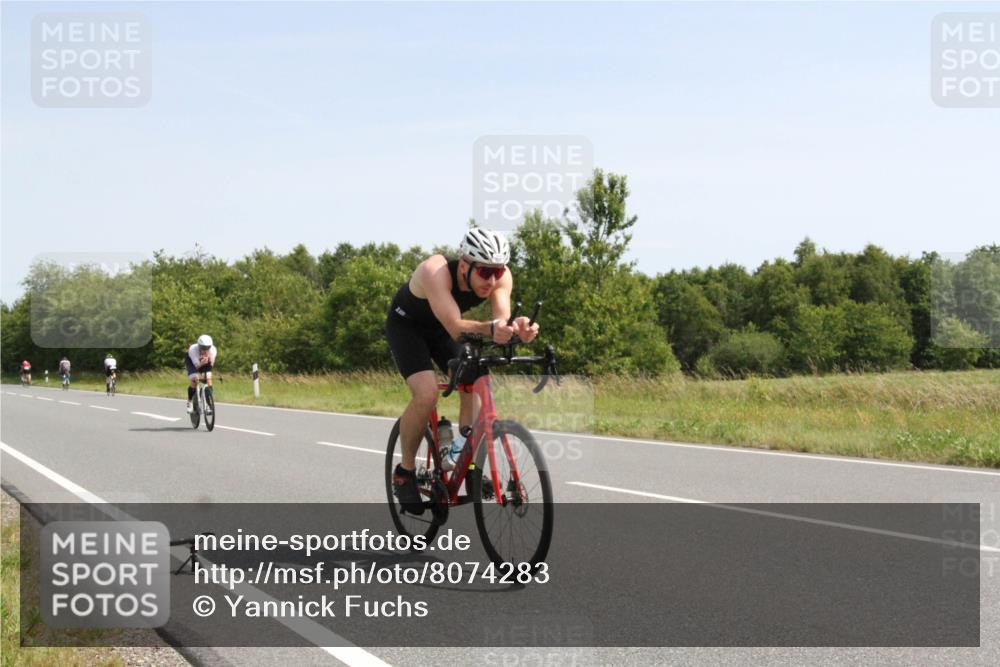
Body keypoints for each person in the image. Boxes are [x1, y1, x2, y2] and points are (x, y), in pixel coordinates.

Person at [384, 228, 538, 515]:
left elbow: (501, 321)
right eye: (484, 272)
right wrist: (491, 329)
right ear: (465, 265)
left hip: (442, 331)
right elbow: (456, 327)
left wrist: (517, 329)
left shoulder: (501, 277)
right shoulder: (435, 271)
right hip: (408, 329)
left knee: (477, 379)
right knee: (427, 393)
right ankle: (405, 471)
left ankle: (466, 463)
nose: (491, 280)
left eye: (497, 271)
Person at [186, 334, 217, 414]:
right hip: (192, 363)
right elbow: (197, 367)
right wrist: (202, 363)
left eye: (207, 347)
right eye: (203, 347)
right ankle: (189, 402)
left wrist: (209, 360)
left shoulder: (213, 350)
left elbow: (210, 366)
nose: (205, 350)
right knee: (195, 379)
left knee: (208, 379)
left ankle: (209, 404)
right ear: (199, 346)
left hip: (204, 362)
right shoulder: (193, 349)